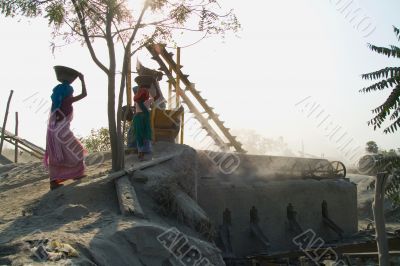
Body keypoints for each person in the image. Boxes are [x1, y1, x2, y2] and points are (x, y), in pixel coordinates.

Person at [44, 69, 88, 190]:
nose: (72, 95)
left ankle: (54, 181)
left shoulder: (56, 104)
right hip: (62, 132)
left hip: (55, 132)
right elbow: (84, 94)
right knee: (77, 150)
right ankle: (76, 174)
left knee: (57, 156)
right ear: (68, 94)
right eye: (71, 93)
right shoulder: (68, 100)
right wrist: (82, 80)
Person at [133, 76, 153, 161]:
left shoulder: (137, 102)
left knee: (139, 135)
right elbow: (154, 97)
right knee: (146, 133)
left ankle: (140, 152)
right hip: (144, 117)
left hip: (137, 118)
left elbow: (135, 89)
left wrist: (140, 86)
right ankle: (145, 151)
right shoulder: (148, 101)